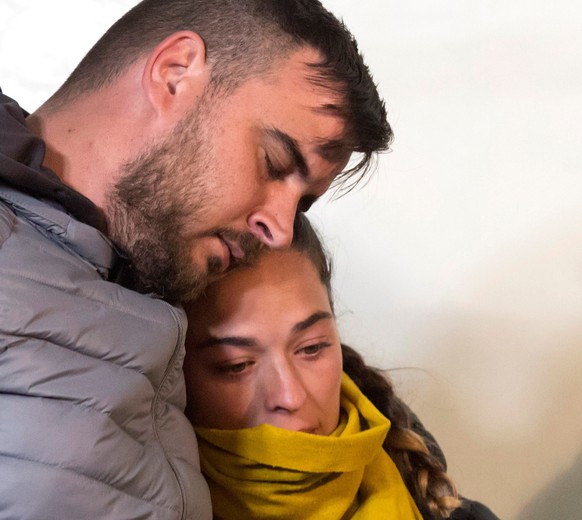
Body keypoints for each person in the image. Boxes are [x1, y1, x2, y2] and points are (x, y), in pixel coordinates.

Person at [0, 1, 391, 519]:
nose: (278, 231)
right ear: (175, 73)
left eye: (302, 203)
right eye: (274, 162)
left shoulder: (139, 288)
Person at [183, 214, 500, 520]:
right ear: (178, 375)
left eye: (312, 348)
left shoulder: (449, 509)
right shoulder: (152, 503)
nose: (290, 396)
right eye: (236, 366)